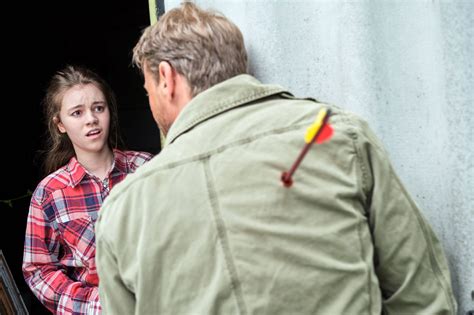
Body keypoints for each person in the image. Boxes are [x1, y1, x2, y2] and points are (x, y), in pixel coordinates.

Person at [95, 2, 457, 314]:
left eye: (147, 91)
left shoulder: (122, 211)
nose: (152, 104)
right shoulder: (338, 135)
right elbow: (422, 294)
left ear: (166, 79)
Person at [22, 65, 153, 314]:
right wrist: (99, 304)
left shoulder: (146, 169)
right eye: (77, 113)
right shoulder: (50, 193)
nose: (91, 119)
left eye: (98, 108)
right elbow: (38, 270)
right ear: (60, 124)